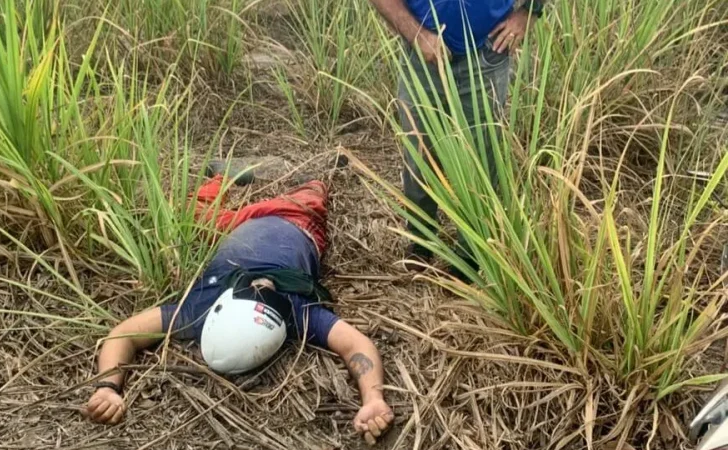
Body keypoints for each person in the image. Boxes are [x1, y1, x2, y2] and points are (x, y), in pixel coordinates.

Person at [82, 176, 394, 445]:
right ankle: (311, 180)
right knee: (313, 192)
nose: (266, 286)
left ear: (225, 303)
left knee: (192, 210)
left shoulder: (200, 308)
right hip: (299, 219)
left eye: (253, 292)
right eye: (269, 297)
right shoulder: (296, 310)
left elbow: (126, 333)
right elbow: (356, 345)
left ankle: (221, 177)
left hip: (234, 225)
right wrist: (373, 399)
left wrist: (108, 386)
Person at [369, 0, 543, 275]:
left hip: (487, 53)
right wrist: (416, 33)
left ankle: (471, 253)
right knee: (419, 154)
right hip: (422, 55)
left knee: (481, 160)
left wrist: (530, 12)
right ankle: (422, 239)